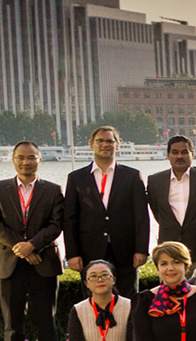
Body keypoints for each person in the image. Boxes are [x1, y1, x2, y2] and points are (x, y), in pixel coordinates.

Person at [0, 140, 66, 341]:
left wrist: (33, 245)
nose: (26, 162)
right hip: (9, 264)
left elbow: (56, 224)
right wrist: (22, 247)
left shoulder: (53, 190)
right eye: (21, 157)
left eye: (31, 157)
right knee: (12, 322)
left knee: (46, 319)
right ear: (13, 160)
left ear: (39, 159)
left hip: (43, 262)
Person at [64, 125, 150, 300]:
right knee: (92, 302)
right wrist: (72, 253)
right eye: (100, 141)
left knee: (128, 301)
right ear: (91, 144)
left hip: (125, 252)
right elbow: (70, 219)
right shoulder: (76, 178)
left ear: (117, 145)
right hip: (90, 251)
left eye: (110, 141)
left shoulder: (132, 176)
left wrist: (141, 249)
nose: (105, 145)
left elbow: (142, 217)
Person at [147, 135, 196, 256]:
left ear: (192, 154)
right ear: (168, 155)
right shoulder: (155, 181)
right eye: (175, 152)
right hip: (168, 249)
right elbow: (157, 211)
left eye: (184, 152)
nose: (179, 156)